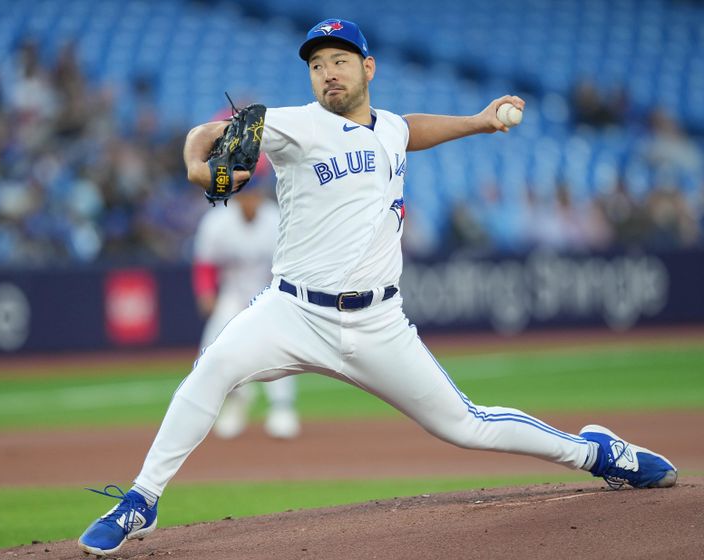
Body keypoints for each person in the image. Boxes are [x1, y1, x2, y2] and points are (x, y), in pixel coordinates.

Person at [78, 19, 677, 557]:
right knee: (211, 369)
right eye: (316, 64)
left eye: (339, 60)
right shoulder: (291, 125)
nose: (326, 72)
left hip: (379, 326)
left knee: (466, 425)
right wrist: (194, 165)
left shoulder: (387, 128)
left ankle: (598, 453)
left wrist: (477, 122)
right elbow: (202, 135)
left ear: (368, 68)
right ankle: (141, 499)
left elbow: (406, 129)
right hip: (292, 312)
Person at [192, 177, 300, 440]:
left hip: (268, 292)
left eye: (255, 194)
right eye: (246, 194)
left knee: (278, 348)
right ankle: (237, 400)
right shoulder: (217, 222)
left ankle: (282, 408)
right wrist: (206, 293)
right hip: (233, 294)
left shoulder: (276, 220)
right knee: (211, 350)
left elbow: (292, 265)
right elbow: (205, 264)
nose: (251, 199)